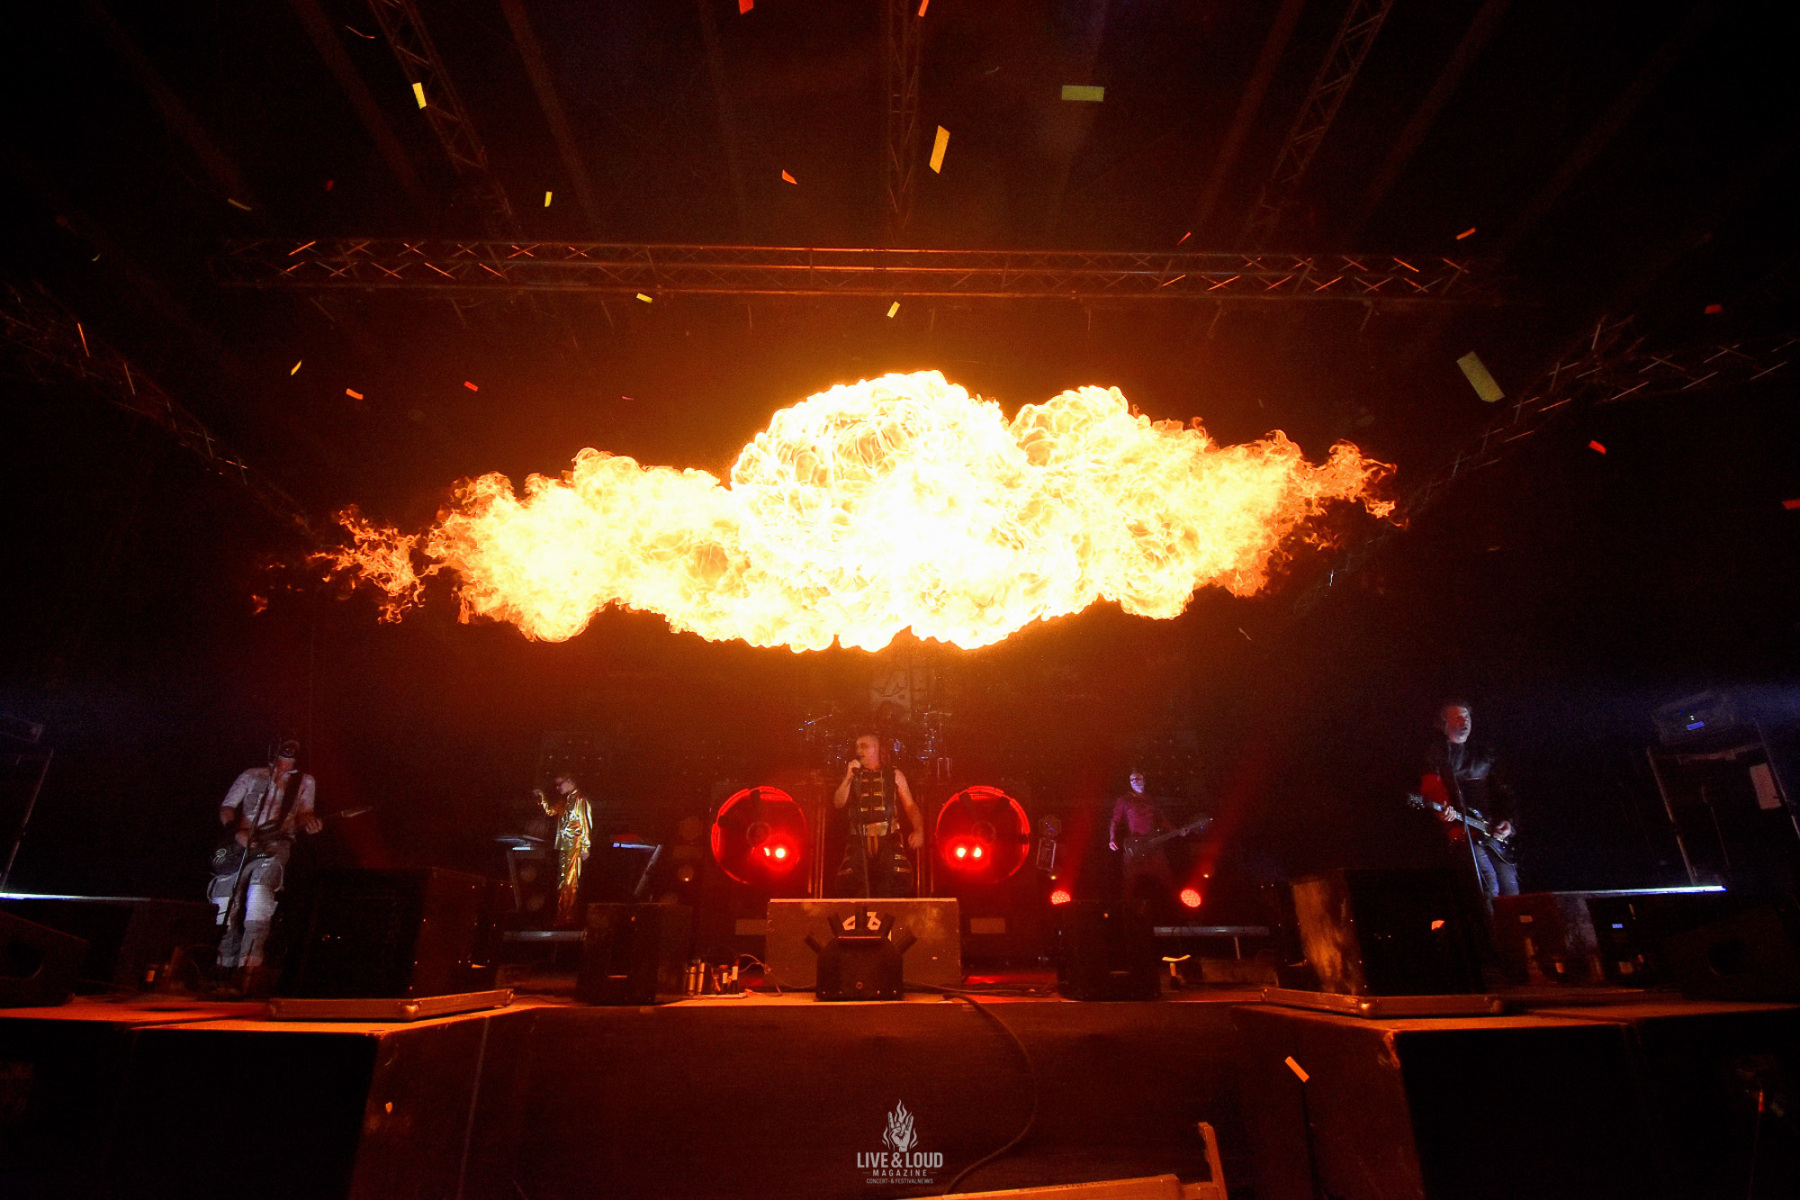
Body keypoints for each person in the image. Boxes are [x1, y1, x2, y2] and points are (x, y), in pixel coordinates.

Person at [211, 739, 322, 977]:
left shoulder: (305, 781)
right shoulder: (252, 774)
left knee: (260, 893)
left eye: (295, 745)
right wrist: (236, 833)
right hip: (241, 842)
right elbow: (227, 807)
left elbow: (305, 812)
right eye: (286, 743)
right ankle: (222, 964)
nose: (290, 749)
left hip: (276, 842)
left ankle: (248, 969)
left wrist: (310, 823)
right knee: (224, 899)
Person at [1418, 700, 1518, 902]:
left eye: (1467, 717)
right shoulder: (1436, 754)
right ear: (1444, 723)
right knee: (1489, 883)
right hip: (1463, 833)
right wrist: (1442, 809)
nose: (1464, 722)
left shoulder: (1483, 753)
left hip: (1490, 829)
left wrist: (1507, 821)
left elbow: (1501, 791)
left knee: (1510, 886)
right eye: (1458, 717)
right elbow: (1431, 787)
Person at [833, 733, 925, 897]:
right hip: (858, 842)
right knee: (854, 887)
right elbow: (838, 803)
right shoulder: (853, 775)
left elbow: (910, 805)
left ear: (875, 748)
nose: (859, 751)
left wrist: (919, 830)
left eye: (864, 746)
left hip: (888, 840)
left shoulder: (894, 774)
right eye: (857, 747)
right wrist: (847, 778)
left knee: (892, 886)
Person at [1109, 769, 1176, 905]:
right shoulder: (1124, 799)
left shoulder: (1151, 799)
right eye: (1131, 779)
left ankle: (1175, 906)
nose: (1134, 781)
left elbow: (1161, 819)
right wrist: (1112, 838)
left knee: (1166, 877)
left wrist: (1175, 830)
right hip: (1135, 845)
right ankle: (1126, 909)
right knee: (1129, 881)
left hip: (1153, 843)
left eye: (1137, 778)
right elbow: (1115, 820)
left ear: (1144, 781)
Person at [536, 772, 593, 925]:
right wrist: (541, 797)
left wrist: (585, 847)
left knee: (569, 880)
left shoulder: (580, 800)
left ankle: (567, 915)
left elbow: (585, 823)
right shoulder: (565, 801)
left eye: (559, 784)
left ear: (569, 781)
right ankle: (562, 913)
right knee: (562, 880)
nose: (557, 788)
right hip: (564, 845)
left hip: (575, 844)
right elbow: (550, 811)